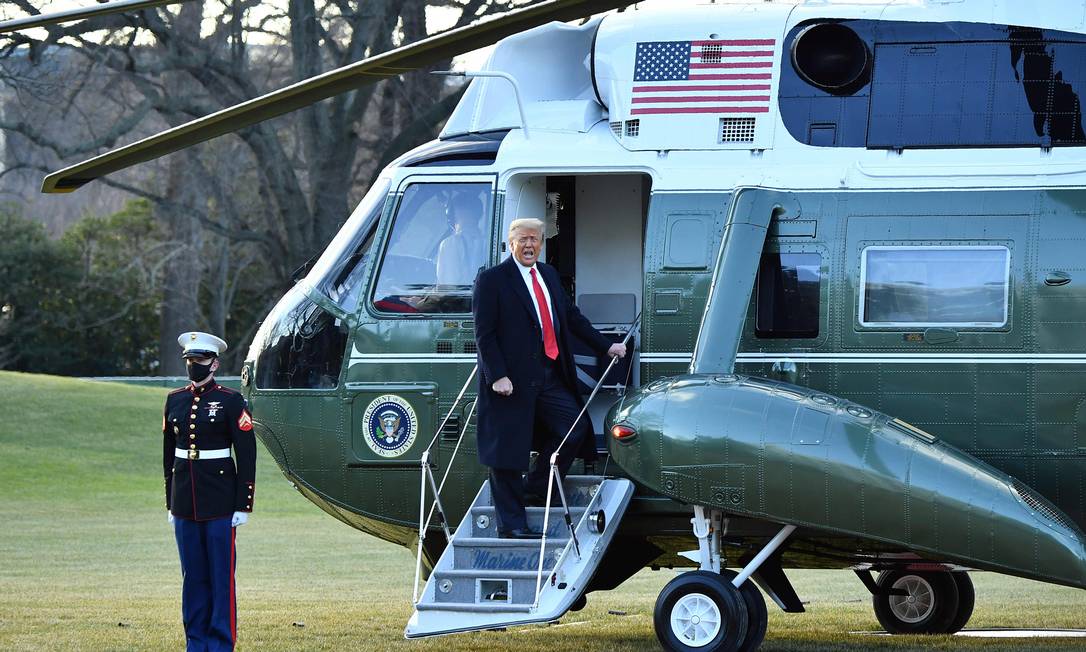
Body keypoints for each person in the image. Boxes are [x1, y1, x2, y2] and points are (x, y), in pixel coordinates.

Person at [472, 218, 626, 539]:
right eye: (523, 240)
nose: (530, 246)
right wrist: (497, 375)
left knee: (574, 428)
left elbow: (571, 318)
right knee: (508, 452)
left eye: (535, 240)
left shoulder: (549, 275)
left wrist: (606, 346)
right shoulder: (492, 280)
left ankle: (537, 487)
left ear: (541, 244)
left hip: (548, 372)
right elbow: (484, 334)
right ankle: (512, 525)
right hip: (509, 380)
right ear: (511, 243)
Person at [163, 332, 256, 651]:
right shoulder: (175, 399)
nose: (194, 366)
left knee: (220, 578)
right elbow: (168, 455)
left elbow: (246, 453)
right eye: (189, 361)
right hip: (184, 502)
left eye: (200, 361)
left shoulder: (231, 401)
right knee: (193, 577)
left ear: (214, 363)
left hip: (220, 502)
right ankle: (196, 641)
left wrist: (243, 504)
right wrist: (170, 503)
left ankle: (219, 643)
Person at [436, 193, 486, 287]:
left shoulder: (450, 244)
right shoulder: (487, 242)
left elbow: (448, 288)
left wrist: (424, 301)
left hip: (459, 300)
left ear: (453, 215)